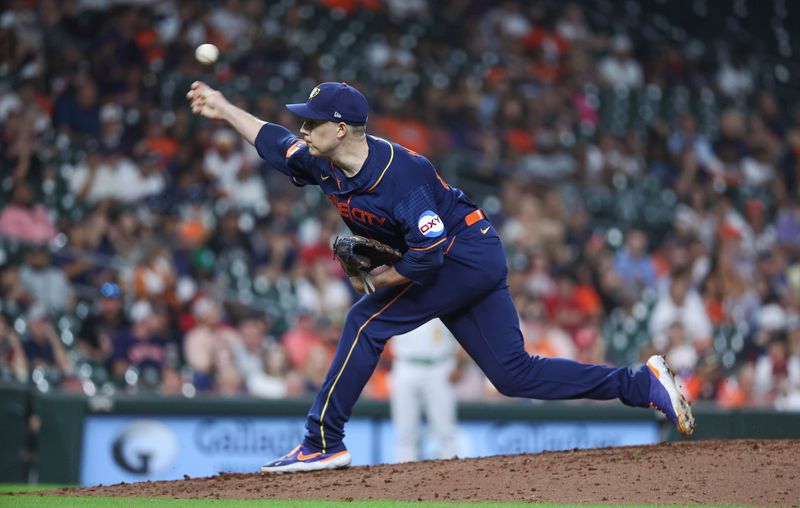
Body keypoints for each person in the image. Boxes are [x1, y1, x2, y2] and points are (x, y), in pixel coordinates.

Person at [186, 80, 695, 474]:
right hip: (465, 254)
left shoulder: (399, 175)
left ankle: (321, 443)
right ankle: (639, 383)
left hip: (463, 255)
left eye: (312, 122)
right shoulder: (325, 162)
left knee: (366, 322)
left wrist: (384, 281)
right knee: (513, 374)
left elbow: (427, 257)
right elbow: (275, 142)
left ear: (340, 129)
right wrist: (225, 108)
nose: (302, 129)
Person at [389, 318, 459, 462]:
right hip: (405, 364)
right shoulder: (397, 298)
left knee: (445, 431)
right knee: (405, 432)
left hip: (439, 365)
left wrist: (460, 366)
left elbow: (463, 335)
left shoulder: (445, 298)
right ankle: (403, 478)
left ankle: (453, 478)